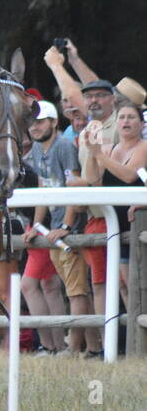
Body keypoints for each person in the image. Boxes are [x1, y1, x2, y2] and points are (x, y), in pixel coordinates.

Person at [77, 99, 147, 333]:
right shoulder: (110, 149)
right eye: (122, 117)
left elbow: (129, 175)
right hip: (117, 224)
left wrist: (101, 156)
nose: (126, 121)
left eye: (131, 117)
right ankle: (135, 337)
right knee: (124, 284)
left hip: (138, 223)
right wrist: (91, 152)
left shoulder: (144, 147)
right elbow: (93, 181)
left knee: (136, 282)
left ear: (140, 123)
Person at [20, 101, 82, 354]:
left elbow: (73, 186)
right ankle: (54, 346)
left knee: (70, 289)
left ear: (55, 122)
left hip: (67, 228)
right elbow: (43, 190)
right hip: (50, 227)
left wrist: (67, 224)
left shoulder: (65, 146)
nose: (35, 127)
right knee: (51, 286)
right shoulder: (36, 149)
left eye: (41, 121)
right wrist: (36, 224)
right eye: (32, 123)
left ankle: (64, 346)